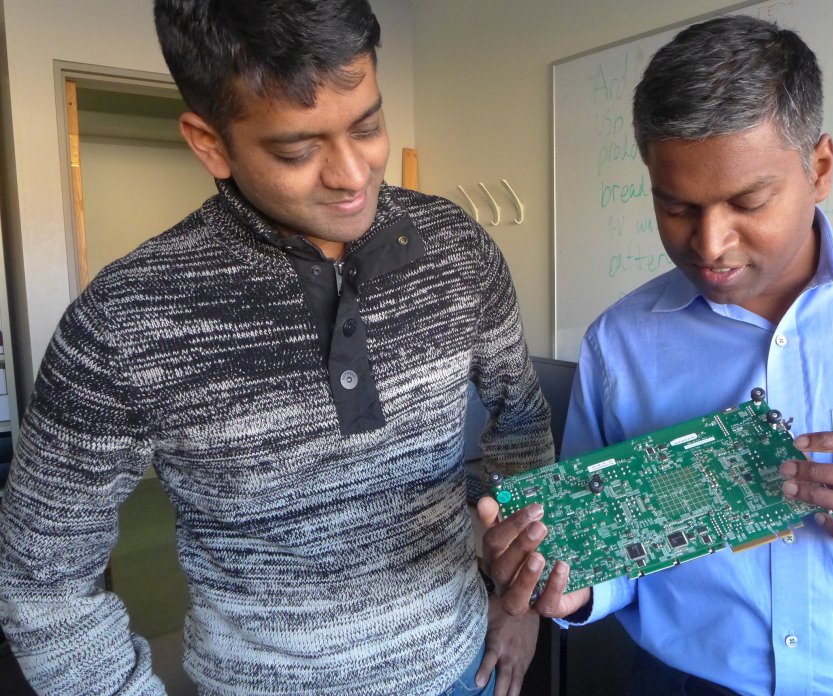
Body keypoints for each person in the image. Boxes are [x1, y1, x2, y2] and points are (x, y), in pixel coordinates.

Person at [0, 1, 553, 694]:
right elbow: (41, 580)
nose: (353, 176)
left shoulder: (457, 251)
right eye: (298, 150)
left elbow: (523, 420)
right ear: (209, 142)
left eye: (369, 124)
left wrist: (519, 600)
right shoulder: (123, 324)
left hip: (463, 667)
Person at [478, 14, 833, 695]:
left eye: (748, 201)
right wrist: (573, 589)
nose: (710, 244)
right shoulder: (619, 344)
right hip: (676, 683)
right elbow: (610, 547)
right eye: (676, 207)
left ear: (819, 168)